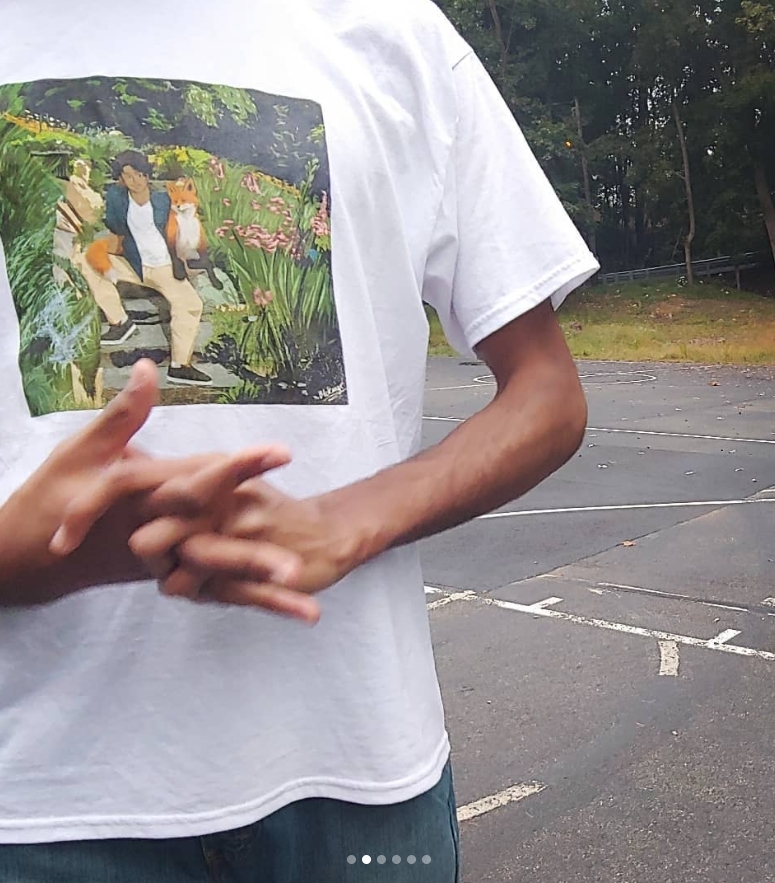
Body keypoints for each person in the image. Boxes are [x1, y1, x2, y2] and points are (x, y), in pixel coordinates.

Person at [0, 1, 599, 881]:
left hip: (361, 778)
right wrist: (19, 554)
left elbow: (546, 393)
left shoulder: (394, 33)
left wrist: (345, 518)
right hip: (41, 808)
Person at [81, 149, 211, 386]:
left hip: (164, 267)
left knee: (191, 305)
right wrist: (106, 255)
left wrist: (188, 258)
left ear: (147, 175)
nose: (135, 181)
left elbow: (185, 227)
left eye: (140, 175)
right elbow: (115, 231)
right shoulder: (117, 199)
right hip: (135, 264)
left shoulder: (163, 200)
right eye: (128, 176)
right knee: (87, 261)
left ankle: (179, 367)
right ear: (121, 178)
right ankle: (120, 322)